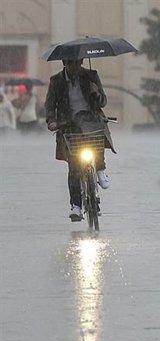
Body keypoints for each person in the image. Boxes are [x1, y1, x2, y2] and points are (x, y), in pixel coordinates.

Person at [45, 58, 115, 221]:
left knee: (97, 143)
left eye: (77, 63)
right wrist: (51, 121)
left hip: (91, 121)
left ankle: (100, 169)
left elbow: (103, 102)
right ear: (64, 63)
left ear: (82, 61)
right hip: (69, 125)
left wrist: (96, 93)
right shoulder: (56, 81)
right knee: (74, 167)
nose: (74, 67)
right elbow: (50, 105)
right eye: (70, 63)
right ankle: (76, 206)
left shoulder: (91, 76)